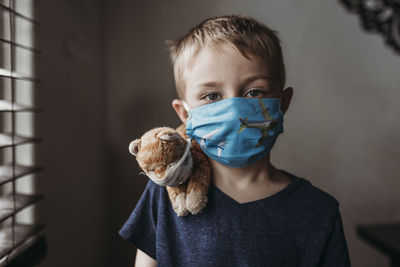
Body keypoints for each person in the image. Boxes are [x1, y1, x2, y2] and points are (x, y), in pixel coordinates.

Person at [119, 15, 351, 267]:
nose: (234, 110)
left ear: (282, 103)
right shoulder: (167, 192)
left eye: (253, 92)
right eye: (211, 96)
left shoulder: (317, 212)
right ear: (185, 114)